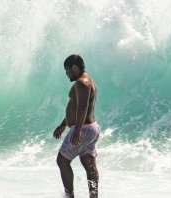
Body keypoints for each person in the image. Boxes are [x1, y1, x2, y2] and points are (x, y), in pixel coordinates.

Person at [53, 54, 100, 198]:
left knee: (62, 160)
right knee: (88, 164)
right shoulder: (87, 81)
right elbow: (74, 106)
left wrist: (77, 131)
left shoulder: (82, 83)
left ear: (74, 67)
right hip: (90, 128)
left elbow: (82, 107)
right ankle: (94, 196)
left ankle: (69, 196)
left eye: (67, 70)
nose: (66, 73)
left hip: (84, 129)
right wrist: (63, 124)